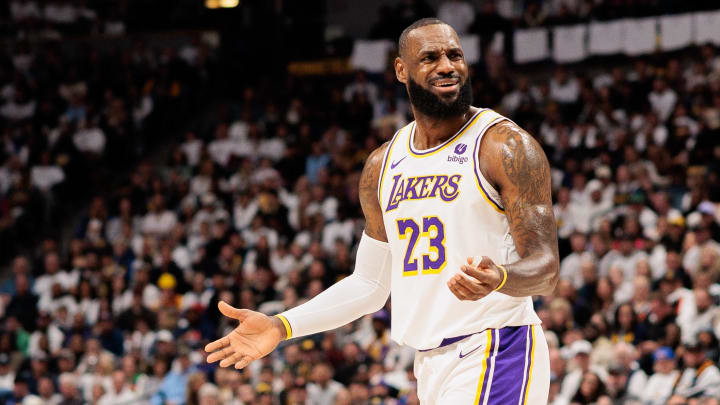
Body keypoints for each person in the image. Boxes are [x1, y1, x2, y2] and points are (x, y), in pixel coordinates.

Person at [205, 18, 558, 404]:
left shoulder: (503, 146)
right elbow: (370, 285)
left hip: (498, 348)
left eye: (454, 55)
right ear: (401, 70)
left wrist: (502, 277)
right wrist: (282, 324)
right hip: (430, 364)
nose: (446, 66)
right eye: (430, 57)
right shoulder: (383, 165)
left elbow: (546, 268)